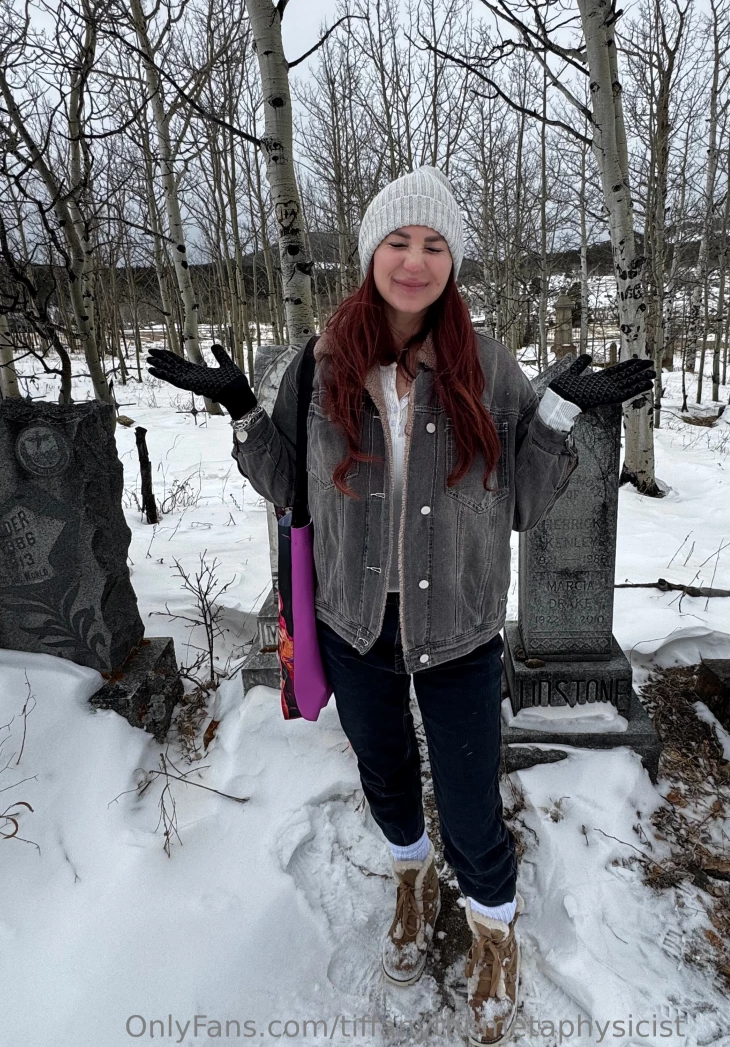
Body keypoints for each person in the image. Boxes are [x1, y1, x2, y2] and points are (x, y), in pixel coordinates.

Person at [147, 166, 654, 1047]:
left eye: (434, 245)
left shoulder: (490, 368)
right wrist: (238, 408)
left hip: (457, 629)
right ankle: (412, 882)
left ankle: (493, 932)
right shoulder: (318, 365)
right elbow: (288, 489)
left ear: (452, 261)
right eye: (398, 241)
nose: (415, 261)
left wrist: (561, 417)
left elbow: (525, 505)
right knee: (387, 780)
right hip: (352, 626)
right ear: (370, 252)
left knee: (469, 805)